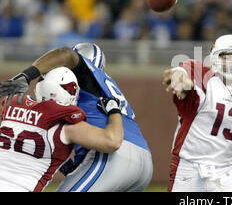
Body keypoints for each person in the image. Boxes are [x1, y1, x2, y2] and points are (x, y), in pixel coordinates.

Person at [0, 43, 152, 192]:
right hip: (144, 159)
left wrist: (27, 75)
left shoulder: (82, 75)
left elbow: (65, 54)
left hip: (112, 153)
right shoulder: (106, 86)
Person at [162, 34, 232, 192]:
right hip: (189, 169)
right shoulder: (203, 77)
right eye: (226, 56)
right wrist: (179, 75)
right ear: (215, 58)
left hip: (225, 172)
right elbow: (186, 72)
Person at [0, 67, 123, 191]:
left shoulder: (13, 106)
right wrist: (114, 109)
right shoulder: (68, 128)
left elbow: (24, 147)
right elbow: (112, 141)